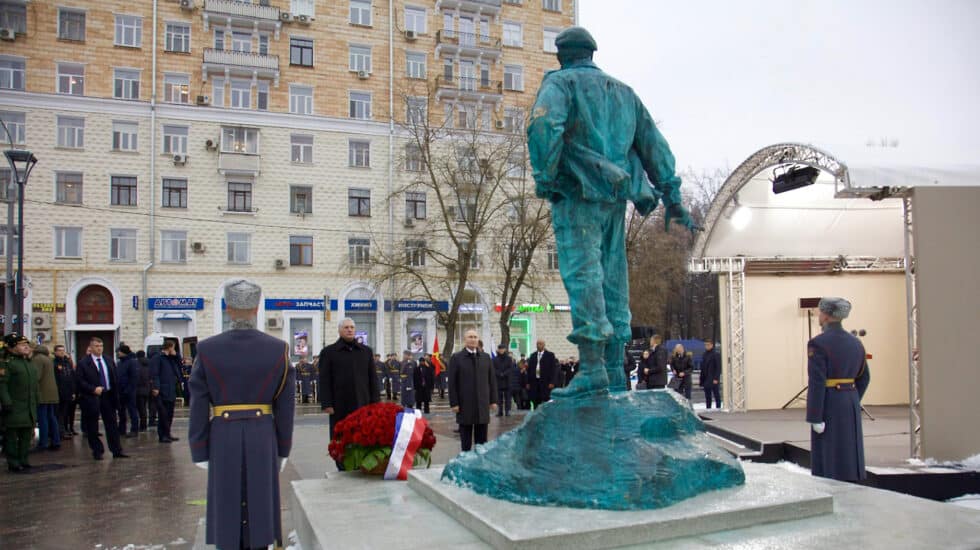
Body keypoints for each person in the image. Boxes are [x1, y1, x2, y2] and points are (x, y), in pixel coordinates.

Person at [527, 26, 696, 396]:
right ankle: (614, 369)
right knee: (613, 277)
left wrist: (545, 175)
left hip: (577, 193)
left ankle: (592, 368)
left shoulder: (561, 84)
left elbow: (543, 125)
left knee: (582, 273)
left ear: (562, 55)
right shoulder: (624, 93)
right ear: (591, 53)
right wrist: (673, 198)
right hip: (615, 200)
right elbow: (654, 144)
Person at [189, 279, 296, 550]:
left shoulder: (207, 349)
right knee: (261, 500)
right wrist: (283, 448)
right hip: (263, 432)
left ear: (227, 308)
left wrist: (199, 449)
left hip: (223, 434)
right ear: (257, 308)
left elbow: (199, 403)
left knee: (225, 500)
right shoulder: (278, 349)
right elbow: (286, 407)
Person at [806, 297, 871, 482]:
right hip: (850, 399)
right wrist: (852, 399)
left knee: (829, 453)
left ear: (826, 315)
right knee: (850, 450)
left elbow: (817, 382)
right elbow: (865, 377)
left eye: (820, 312)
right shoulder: (856, 342)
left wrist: (815, 416)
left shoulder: (818, 343)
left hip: (829, 402)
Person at [318, 318, 379, 470]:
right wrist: (327, 403)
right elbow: (324, 380)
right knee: (340, 439)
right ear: (339, 330)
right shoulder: (329, 352)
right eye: (346, 327)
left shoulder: (365, 351)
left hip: (362, 405)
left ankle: (361, 464)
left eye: (352, 327)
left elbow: (373, 380)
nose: (350, 330)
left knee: (363, 437)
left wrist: (375, 403)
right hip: (340, 406)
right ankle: (342, 465)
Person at [76, 336, 129, 460]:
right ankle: (97, 450)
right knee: (92, 425)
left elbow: (114, 378)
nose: (99, 349)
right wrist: (92, 389)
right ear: (90, 347)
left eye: (101, 346)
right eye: (96, 346)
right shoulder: (84, 363)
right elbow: (79, 381)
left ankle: (116, 450)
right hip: (92, 397)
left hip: (108, 396)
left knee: (111, 424)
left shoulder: (108, 360)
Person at [448, 329, 498, 451]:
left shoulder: (485, 358)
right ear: (465, 340)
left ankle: (480, 463)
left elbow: (492, 381)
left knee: (482, 442)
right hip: (465, 404)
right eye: (470, 337)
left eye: (475, 337)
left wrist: (493, 400)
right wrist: (454, 403)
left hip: (482, 404)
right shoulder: (457, 358)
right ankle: (465, 461)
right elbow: (452, 383)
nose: (473, 339)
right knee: (466, 440)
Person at [0, 333, 39, 472]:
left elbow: (34, 385)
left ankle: (24, 459)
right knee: (12, 436)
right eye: (22, 345)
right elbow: (2, 385)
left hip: (29, 406)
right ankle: (13, 461)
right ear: (11, 348)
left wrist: (37, 401)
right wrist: (6, 402)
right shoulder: (7, 364)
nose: (26, 347)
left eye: (26, 345)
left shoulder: (28, 363)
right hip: (14, 405)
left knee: (26, 435)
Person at [150, 340, 182, 443]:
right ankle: (162, 435)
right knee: (163, 414)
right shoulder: (158, 358)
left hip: (171, 389)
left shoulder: (171, 359)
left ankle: (168, 433)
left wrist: (176, 355)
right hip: (162, 390)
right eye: (173, 347)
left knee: (170, 413)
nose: (174, 350)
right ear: (169, 347)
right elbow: (155, 374)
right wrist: (156, 387)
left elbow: (179, 365)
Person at [32, 344, 61, 451]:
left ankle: (43, 442)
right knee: (51, 417)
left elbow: (36, 376)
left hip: (42, 393)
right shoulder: (48, 359)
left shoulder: (38, 359)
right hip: (51, 393)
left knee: (42, 418)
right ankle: (56, 440)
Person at [115, 343, 140, 438]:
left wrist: (128, 390)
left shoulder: (132, 362)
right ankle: (121, 429)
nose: (118, 353)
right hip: (120, 391)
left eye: (119, 352)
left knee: (132, 411)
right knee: (121, 412)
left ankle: (134, 429)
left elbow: (134, 378)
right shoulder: (120, 362)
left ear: (123, 352)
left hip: (129, 392)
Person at [53, 344, 77, 438]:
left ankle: (66, 429)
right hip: (59, 392)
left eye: (63, 350)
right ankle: (60, 432)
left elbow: (71, 377)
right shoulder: (54, 363)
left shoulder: (67, 363)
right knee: (59, 414)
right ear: (55, 352)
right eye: (59, 350)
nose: (62, 352)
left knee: (66, 413)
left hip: (68, 392)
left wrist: (73, 391)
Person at [527, 339, 559, 407]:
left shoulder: (550, 355)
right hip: (535, 381)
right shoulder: (533, 355)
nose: (539, 345)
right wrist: (528, 382)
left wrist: (552, 382)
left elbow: (553, 370)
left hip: (546, 382)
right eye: (537, 344)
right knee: (535, 399)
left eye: (540, 344)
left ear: (544, 345)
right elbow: (529, 370)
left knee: (546, 398)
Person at [492, 344, 515, 417]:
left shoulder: (508, 359)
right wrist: (499, 374)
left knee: (508, 398)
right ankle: (500, 411)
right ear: (498, 350)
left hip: (507, 381)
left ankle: (507, 411)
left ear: (505, 349)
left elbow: (510, 368)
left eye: (502, 349)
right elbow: (493, 369)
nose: (501, 350)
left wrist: (504, 374)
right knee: (499, 398)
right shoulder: (495, 359)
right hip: (498, 381)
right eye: (500, 349)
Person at [700, 339, 722, 409]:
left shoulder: (716, 354)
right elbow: (703, 367)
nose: (706, 346)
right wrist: (702, 378)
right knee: (707, 395)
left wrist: (716, 378)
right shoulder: (704, 354)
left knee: (716, 394)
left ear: (712, 345)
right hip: (706, 378)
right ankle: (708, 408)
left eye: (708, 345)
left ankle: (718, 407)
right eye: (705, 345)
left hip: (713, 377)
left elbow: (718, 367)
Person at [134, 350, 152, 432]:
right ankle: (144, 425)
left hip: (138, 390)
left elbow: (137, 378)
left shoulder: (137, 365)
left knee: (140, 409)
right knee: (144, 408)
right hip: (147, 389)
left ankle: (142, 425)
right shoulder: (149, 364)